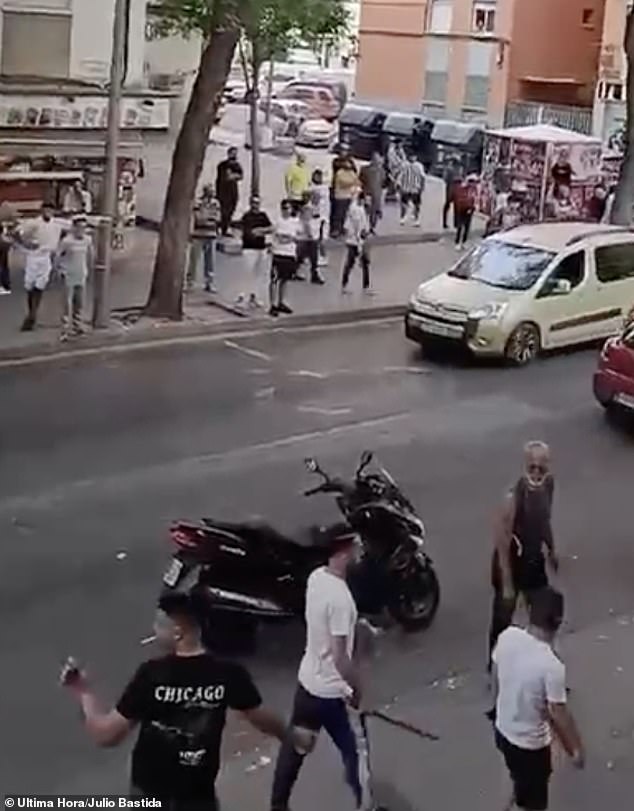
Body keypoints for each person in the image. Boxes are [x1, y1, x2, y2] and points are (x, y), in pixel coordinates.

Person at [61, 591, 301, 810]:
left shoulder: (152, 675)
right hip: (198, 795)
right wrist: (289, 737)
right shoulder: (227, 674)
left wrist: (82, 691)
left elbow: (107, 735)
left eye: (159, 624)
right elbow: (262, 718)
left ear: (177, 631)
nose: (154, 631)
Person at [270, 524, 363, 811]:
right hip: (332, 695)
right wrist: (356, 689)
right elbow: (339, 657)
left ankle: (278, 804)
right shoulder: (341, 600)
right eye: (356, 545)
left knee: (296, 747)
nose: (360, 550)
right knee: (356, 753)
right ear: (344, 551)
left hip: (307, 684)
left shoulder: (316, 578)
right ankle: (365, 802)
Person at [491, 587, 585, 811]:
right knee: (536, 800)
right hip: (530, 746)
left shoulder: (508, 636)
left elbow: (497, 675)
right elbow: (558, 713)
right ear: (558, 622)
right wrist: (576, 750)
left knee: (516, 772)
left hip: (503, 730)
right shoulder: (551, 667)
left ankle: (517, 793)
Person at [488, 441, 559, 668]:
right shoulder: (513, 497)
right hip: (511, 561)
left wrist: (551, 548)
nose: (536, 473)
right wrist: (508, 582)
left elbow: (545, 520)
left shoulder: (549, 486)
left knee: (543, 612)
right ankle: (495, 664)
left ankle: (543, 666)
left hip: (534, 558)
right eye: (532, 467)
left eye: (541, 467)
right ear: (524, 466)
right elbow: (501, 539)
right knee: (502, 618)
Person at [17, 203, 62, 331]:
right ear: (42, 211)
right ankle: (32, 311)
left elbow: (75, 223)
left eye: (51, 210)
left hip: (46, 257)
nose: (48, 212)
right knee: (30, 286)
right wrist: (26, 242)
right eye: (46, 210)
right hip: (33, 257)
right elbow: (19, 232)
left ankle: (32, 315)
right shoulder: (34, 223)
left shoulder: (57, 223)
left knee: (40, 285)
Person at [56, 215, 93, 341]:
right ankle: (65, 329)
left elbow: (90, 255)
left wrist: (89, 270)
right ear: (74, 228)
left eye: (83, 228)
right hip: (68, 274)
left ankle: (78, 325)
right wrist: (60, 270)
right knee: (67, 303)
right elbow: (57, 256)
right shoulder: (67, 241)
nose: (81, 230)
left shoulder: (87, 240)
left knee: (80, 302)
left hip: (81, 274)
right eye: (79, 227)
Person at [238, 196, 273, 309]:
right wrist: (258, 231)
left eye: (257, 203)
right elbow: (248, 232)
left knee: (259, 274)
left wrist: (260, 231)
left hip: (261, 248)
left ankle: (255, 296)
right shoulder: (247, 216)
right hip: (249, 248)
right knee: (247, 273)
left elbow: (271, 228)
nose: (255, 205)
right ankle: (243, 296)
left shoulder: (263, 216)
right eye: (253, 202)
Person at [270, 200, 298, 317]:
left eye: (288, 208)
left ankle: (281, 302)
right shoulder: (278, 221)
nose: (286, 210)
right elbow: (280, 237)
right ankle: (273, 304)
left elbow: (296, 237)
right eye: (284, 208)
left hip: (289, 254)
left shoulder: (295, 222)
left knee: (285, 280)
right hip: (278, 253)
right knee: (274, 280)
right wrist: (289, 238)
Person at [192, 184, 220, 293]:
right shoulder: (198, 202)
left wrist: (207, 217)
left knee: (210, 261)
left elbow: (217, 217)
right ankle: (190, 281)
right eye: (210, 191)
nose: (212, 193)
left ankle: (209, 283)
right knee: (194, 260)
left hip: (211, 235)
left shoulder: (216, 203)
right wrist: (209, 217)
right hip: (198, 234)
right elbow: (198, 218)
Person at [341, 193, 372, 295]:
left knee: (365, 263)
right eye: (367, 200)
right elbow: (356, 227)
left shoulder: (362, 209)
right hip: (354, 241)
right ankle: (344, 285)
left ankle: (365, 286)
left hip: (359, 240)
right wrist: (359, 241)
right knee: (350, 263)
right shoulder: (356, 210)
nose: (369, 202)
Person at [295, 193, 324, 286]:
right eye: (316, 198)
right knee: (310, 256)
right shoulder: (308, 208)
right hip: (307, 237)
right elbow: (306, 222)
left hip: (312, 236)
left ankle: (296, 272)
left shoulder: (317, 208)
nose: (318, 200)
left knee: (305, 256)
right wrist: (310, 234)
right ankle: (313, 275)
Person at [216, 147, 244, 236]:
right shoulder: (222, 165)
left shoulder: (237, 165)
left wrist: (233, 176)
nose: (234, 155)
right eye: (232, 153)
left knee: (231, 209)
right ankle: (222, 228)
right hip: (223, 190)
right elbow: (226, 177)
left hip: (233, 191)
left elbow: (240, 176)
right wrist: (233, 176)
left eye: (235, 153)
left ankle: (225, 227)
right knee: (224, 210)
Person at [330, 147, 357, 237]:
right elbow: (337, 166)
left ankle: (341, 228)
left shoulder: (350, 161)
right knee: (336, 211)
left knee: (344, 212)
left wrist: (349, 164)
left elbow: (354, 170)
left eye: (345, 151)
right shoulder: (336, 161)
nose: (343, 153)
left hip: (347, 192)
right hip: (338, 191)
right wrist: (346, 165)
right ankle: (334, 229)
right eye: (342, 151)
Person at [397, 152, 426, 226]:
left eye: (414, 156)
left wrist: (422, 187)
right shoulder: (404, 165)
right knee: (404, 204)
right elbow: (400, 175)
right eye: (411, 156)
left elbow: (422, 177)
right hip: (405, 187)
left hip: (415, 188)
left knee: (417, 205)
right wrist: (399, 185)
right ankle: (402, 218)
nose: (412, 158)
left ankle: (416, 219)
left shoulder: (419, 166)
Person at [360, 151, 385, 234]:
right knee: (367, 211)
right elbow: (361, 180)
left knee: (375, 211)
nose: (376, 161)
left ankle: (372, 227)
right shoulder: (364, 169)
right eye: (374, 159)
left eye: (378, 159)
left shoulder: (381, 171)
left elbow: (383, 182)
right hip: (367, 193)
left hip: (377, 194)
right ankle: (365, 227)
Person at [309, 168, 329, 266]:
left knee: (321, 238)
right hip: (314, 216)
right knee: (314, 238)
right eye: (315, 176)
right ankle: (314, 256)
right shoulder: (311, 187)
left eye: (319, 176)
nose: (317, 178)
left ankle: (323, 256)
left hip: (323, 216)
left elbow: (316, 199)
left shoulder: (323, 189)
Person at [454, 174, 478, 249]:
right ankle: (457, 242)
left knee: (467, 227)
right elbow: (460, 199)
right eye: (473, 182)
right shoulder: (463, 189)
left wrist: (473, 207)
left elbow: (475, 199)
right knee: (460, 227)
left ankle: (464, 242)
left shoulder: (474, 190)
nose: (474, 184)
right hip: (462, 210)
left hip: (470, 210)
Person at [442, 157, 462, 230]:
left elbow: (445, 178)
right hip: (453, 187)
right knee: (454, 206)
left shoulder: (451, 169)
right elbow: (445, 178)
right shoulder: (455, 169)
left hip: (452, 187)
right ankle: (455, 223)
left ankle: (447, 223)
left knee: (452, 205)